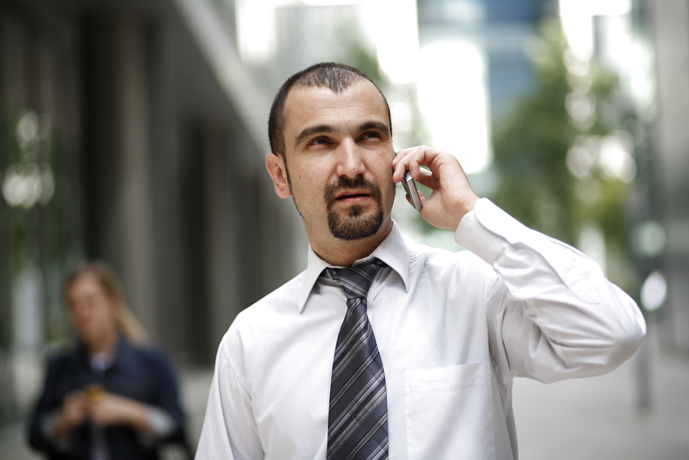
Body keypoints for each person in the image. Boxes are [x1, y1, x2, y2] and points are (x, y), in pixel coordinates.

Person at [195, 63, 646, 460]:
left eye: (369, 136)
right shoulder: (249, 343)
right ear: (280, 174)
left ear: (395, 154)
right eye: (321, 142)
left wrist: (472, 215)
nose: (351, 165)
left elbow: (611, 333)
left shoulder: (474, 292)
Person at [28, 261, 189, 460]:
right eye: (73, 305)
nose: (83, 314)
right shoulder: (60, 366)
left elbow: (177, 427)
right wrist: (62, 420)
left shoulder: (152, 361)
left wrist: (132, 413)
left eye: (91, 302)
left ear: (114, 302)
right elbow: (34, 437)